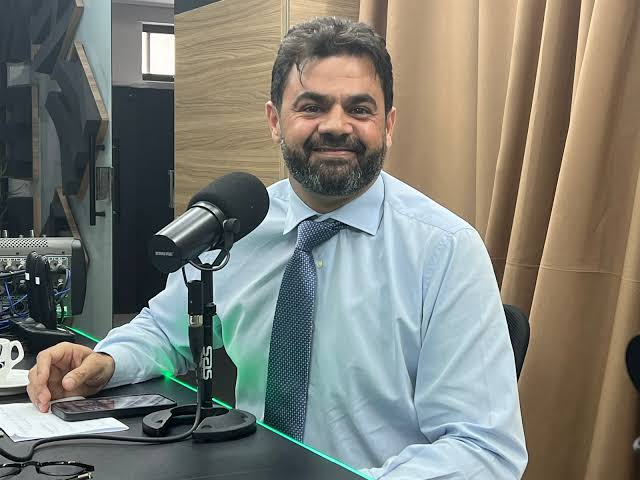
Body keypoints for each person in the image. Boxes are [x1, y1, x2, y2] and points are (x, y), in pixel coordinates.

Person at [27, 17, 527, 479]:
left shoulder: (446, 252)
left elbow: (484, 449)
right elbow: (164, 328)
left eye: (359, 109)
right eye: (312, 106)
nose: (336, 125)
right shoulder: (237, 224)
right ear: (274, 120)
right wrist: (108, 362)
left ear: (389, 125)